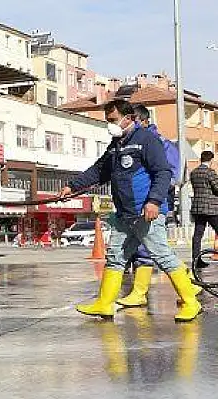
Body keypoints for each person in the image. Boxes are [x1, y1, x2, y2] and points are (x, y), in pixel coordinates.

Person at [60, 99, 201, 322]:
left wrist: (154, 201)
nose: (110, 125)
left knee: (162, 256)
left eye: (113, 120)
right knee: (116, 257)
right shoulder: (115, 145)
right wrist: (73, 186)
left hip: (146, 212)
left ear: (129, 118)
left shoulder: (147, 140)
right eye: (107, 121)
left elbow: (163, 173)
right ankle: (104, 304)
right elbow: (99, 171)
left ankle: (191, 302)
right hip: (125, 214)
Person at [116, 104, 200, 308]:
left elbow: (171, 174)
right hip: (136, 206)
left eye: (134, 120)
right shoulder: (129, 141)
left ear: (144, 121)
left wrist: (154, 197)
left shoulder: (158, 142)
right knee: (148, 247)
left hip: (154, 203)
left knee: (154, 248)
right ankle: (143, 291)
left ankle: (148, 291)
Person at [190, 150, 218, 267]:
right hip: (211, 209)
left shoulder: (193, 172)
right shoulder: (210, 172)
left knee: (197, 235)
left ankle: (196, 260)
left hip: (198, 208)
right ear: (211, 160)